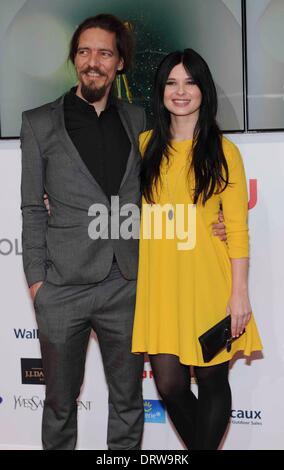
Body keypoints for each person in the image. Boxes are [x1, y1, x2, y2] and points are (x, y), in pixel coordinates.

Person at [20, 14, 146, 450]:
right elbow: (31, 208)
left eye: (105, 53)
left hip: (126, 284)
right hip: (62, 286)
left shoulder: (138, 119)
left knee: (129, 402)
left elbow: (165, 194)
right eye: (85, 51)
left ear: (120, 63)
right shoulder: (38, 123)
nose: (94, 61)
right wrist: (37, 282)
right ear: (75, 59)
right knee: (58, 404)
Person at [132, 49, 263, 450]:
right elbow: (111, 197)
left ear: (204, 89)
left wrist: (239, 294)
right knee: (169, 385)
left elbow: (237, 228)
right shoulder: (144, 145)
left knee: (211, 379)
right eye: (171, 82)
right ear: (160, 92)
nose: (181, 91)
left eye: (190, 82)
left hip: (209, 285)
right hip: (161, 287)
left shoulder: (224, 152)